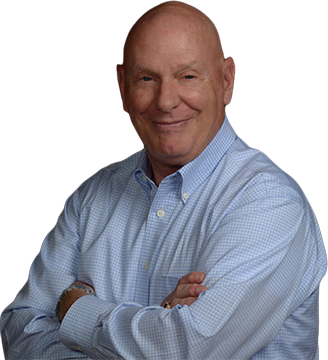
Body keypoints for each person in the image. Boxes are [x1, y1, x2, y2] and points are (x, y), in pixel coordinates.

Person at [1, 1, 327, 359]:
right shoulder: (91, 197)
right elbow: (20, 329)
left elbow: (189, 348)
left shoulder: (269, 203)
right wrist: (155, 326)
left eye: (187, 76)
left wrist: (73, 308)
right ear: (123, 87)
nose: (166, 101)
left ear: (226, 79)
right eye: (147, 78)